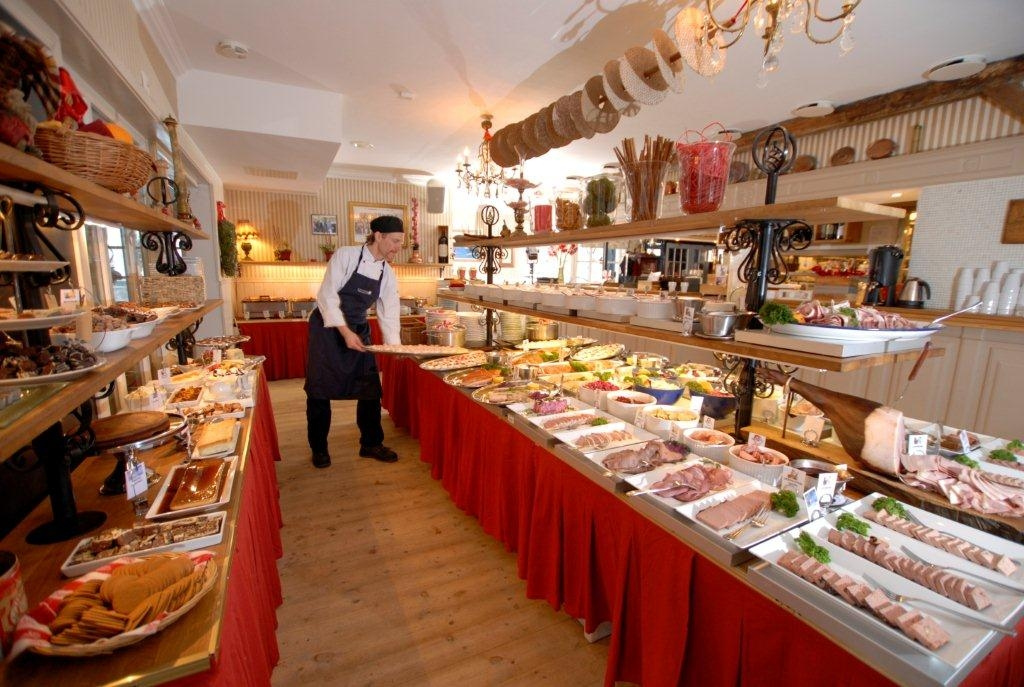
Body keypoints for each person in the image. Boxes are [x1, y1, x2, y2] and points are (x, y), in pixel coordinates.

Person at [305, 215, 404, 468]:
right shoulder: (346, 255)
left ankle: (371, 444)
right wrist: (345, 332)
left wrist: (394, 346)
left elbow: (389, 310)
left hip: (358, 328)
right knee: (319, 390)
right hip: (328, 329)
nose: (398, 248)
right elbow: (326, 296)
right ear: (378, 236)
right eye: (394, 241)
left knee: (370, 389)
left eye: (400, 243)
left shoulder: (387, 272)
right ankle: (319, 449)